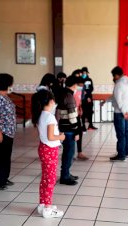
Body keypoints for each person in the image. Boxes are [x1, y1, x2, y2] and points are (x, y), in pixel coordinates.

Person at [31, 89, 65, 218]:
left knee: (45, 178)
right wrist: (61, 137)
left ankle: (42, 204)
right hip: (50, 150)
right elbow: (51, 136)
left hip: (43, 148)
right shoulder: (50, 116)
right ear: (51, 101)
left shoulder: (40, 115)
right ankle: (48, 209)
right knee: (50, 179)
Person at [103, 66, 128, 161]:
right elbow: (117, 97)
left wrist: (123, 112)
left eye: (113, 76)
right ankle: (126, 151)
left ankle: (121, 155)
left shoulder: (119, 84)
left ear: (116, 75)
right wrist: (106, 100)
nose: (113, 78)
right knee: (126, 133)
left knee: (120, 134)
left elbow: (119, 100)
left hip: (120, 112)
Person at [56, 75, 80, 185]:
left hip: (64, 127)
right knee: (69, 153)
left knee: (67, 152)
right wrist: (77, 131)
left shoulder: (62, 93)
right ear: (74, 85)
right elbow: (72, 116)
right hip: (69, 129)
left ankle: (66, 173)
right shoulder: (69, 96)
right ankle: (64, 176)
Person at [74, 76, 89, 160]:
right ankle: (71, 153)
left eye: (82, 85)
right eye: (80, 85)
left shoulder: (80, 91)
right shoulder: (72, 91)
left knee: (79, 133)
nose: (81, 86)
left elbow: (79, 102)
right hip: (71, 115)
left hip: (77, 115)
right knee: (72, 134)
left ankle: (79, 152)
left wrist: (80, 108)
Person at [81, 67, 97, 131]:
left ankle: (90, 125)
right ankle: (83, 126)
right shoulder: (80, 80)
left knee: (90, 111)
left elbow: (91, 88)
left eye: (85, 72)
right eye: (83, 72)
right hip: (83, 99)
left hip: (89, 98)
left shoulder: (89, 80)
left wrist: (87, 95)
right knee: (83, 112)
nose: (84, 74)